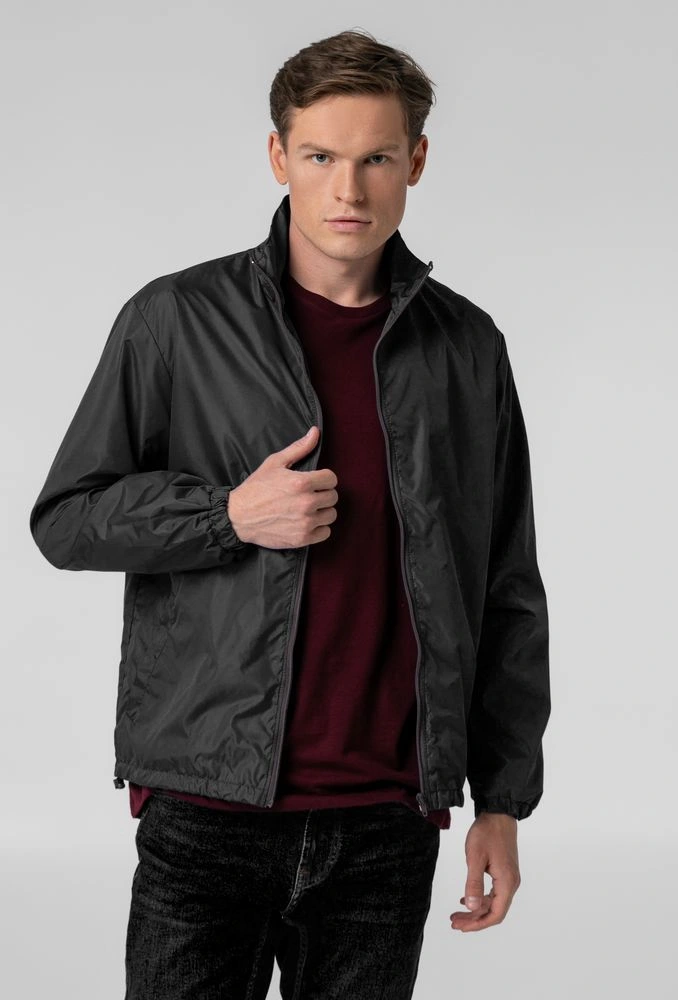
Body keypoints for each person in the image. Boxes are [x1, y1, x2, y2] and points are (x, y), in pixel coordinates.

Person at [30, 27, 550, 1000]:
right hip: (208, 809)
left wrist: (502, 799)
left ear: (416, 162)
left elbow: (505, 585)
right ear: (278, 156)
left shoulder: (466, 348)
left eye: (375, 159)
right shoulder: (175, 321)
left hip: (386, 821)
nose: (347, 189)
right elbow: (67, 517)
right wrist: (227, 514)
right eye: (319, 157)